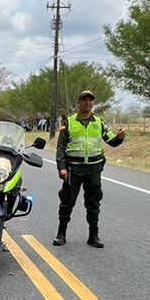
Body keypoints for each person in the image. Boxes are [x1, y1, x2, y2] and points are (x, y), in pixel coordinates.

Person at [54, 89, 126, 248]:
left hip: (94, 169)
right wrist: (61, 167)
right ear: (78, 103)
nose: (88, 103)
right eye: (84, 100)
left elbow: (111, 141)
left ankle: (93, 236)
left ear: (93, 103)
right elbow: (60, 147)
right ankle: (61, 234)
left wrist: (120, 138)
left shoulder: (98, 122)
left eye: (90, 100)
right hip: (74, 169)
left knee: (93, 203)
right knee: (67, 201)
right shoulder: (69, 121)